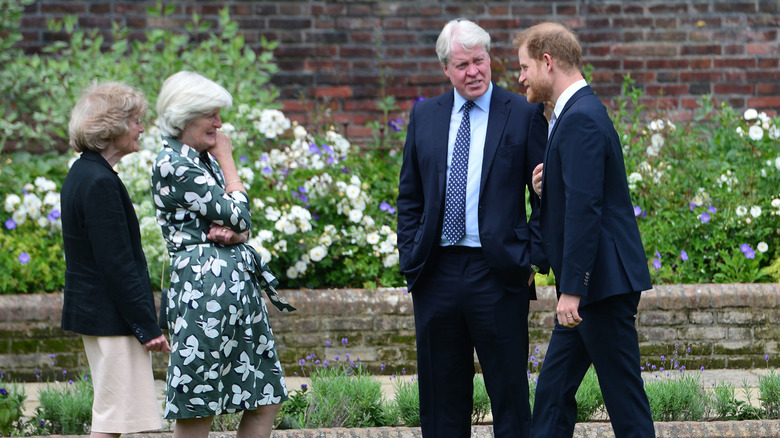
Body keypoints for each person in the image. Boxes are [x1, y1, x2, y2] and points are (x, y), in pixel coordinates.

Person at [396, 18, 548, 438]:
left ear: (489, 58)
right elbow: (410, 196)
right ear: (446, 69)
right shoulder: (425, 114)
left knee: (510, 396)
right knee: (441, 399)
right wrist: (411, 258)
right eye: (462, 65)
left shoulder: (522, 113)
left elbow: (545, 197)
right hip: (435, 272)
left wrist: (531, 257)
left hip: (498, 274)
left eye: (479, 61)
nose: (474, 72)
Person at [514, 22, 655, 437]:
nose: (520, 77)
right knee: (553, 395)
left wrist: (572, 288)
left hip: (600, 289)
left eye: (524, 67)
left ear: (547, 61)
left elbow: (585, 208)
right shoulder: (574, 113)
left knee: (625, 403)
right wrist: (545, 187)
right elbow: (578, 193)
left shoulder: (581, 118)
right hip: (593, 288)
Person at [151, 71, 294, 438]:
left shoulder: (200, 159)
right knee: (198, 402)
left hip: (235, 292)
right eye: (211, 115)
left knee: (265, 394)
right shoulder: (174, 163)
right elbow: (239, 213)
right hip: (202, 293)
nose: (219, 123)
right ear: (185, 116)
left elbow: (242, 225)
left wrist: (239, 231)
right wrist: (228, 161)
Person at [60, 82, 171, 438]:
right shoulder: (99, 181)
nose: (141, 128)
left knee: (114, 419)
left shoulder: (83, 173)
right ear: (112, 127)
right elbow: (117, 264)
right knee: (112, 422)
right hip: (112, 320)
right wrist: (146, 326)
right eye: (136, 120)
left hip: (103, 317)